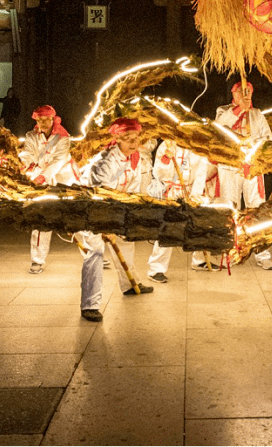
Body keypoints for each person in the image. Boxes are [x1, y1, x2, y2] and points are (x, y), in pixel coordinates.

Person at [77, 117, 163, 322]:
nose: (134, 143)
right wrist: (105, 223)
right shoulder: (105, 161)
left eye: (136, 138)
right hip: (92, 210)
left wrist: (127, 218)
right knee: (95, 252)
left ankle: (129, 284)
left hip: (115, 209)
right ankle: (90, 304)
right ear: (117, 138)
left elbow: (130, 192)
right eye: (128, 139)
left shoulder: (134, 158)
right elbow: (99, 193)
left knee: (126, 241)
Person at [213, 80, 272, 270]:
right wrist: (239, 110)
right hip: (229, 167)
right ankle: (229, 251)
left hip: (252, 169)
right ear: (234, 94)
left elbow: (269, 138)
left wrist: (256, 147)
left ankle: (261, 252)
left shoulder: (257, 114)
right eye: (241, 91)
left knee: (256, 209)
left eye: (248, 91)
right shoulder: (223, 111)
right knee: (229, 209)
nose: (245, 94)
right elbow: (218, 129)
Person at [18, 105, 79, 274]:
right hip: (40, 180)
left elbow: (58, 160)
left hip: (64, 179)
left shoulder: (63, 137)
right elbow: (28, 154)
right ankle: (37, 260)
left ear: (53, 119)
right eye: (40, 120)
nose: (43, 123)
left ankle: (93, 252)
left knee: (77, 216)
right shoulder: (31, 136)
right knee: (41, 217)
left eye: (46, 120)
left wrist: (43, 176)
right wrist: (27, 169)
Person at [151, 138, 209, 276]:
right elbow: (158, 173)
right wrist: (166, 158)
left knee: (199, 226)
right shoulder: (167, 144)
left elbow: (201, 173)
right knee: (168, 230)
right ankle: (156, 269)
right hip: (172, 192)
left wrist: (195, 196)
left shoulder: (199, 146)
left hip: (191, 192)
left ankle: (199, 260)